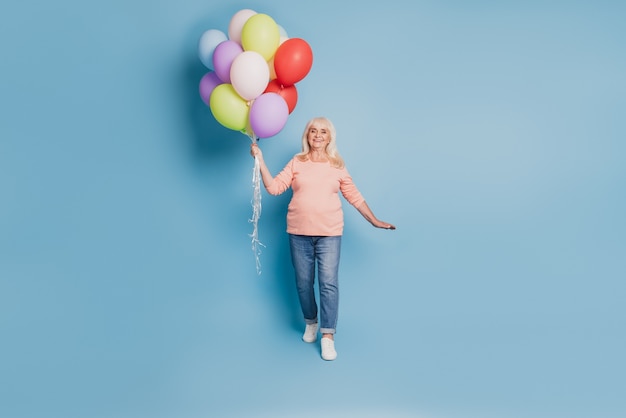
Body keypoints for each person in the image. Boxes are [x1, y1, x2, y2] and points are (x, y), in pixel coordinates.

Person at [250, 116, 395, 361]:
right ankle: (311, 322)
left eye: (323, 132)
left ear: (330, 138)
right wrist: (261, 160)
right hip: (298, 233)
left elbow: (354, 196)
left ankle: (328, 336)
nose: (318, 135)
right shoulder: (297, 162)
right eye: (313, 131)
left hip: (329, 233)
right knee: (303, 284)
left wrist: (374, 220)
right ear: (307, 135)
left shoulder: (337, 165)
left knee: (328, 284)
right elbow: (274, 188)